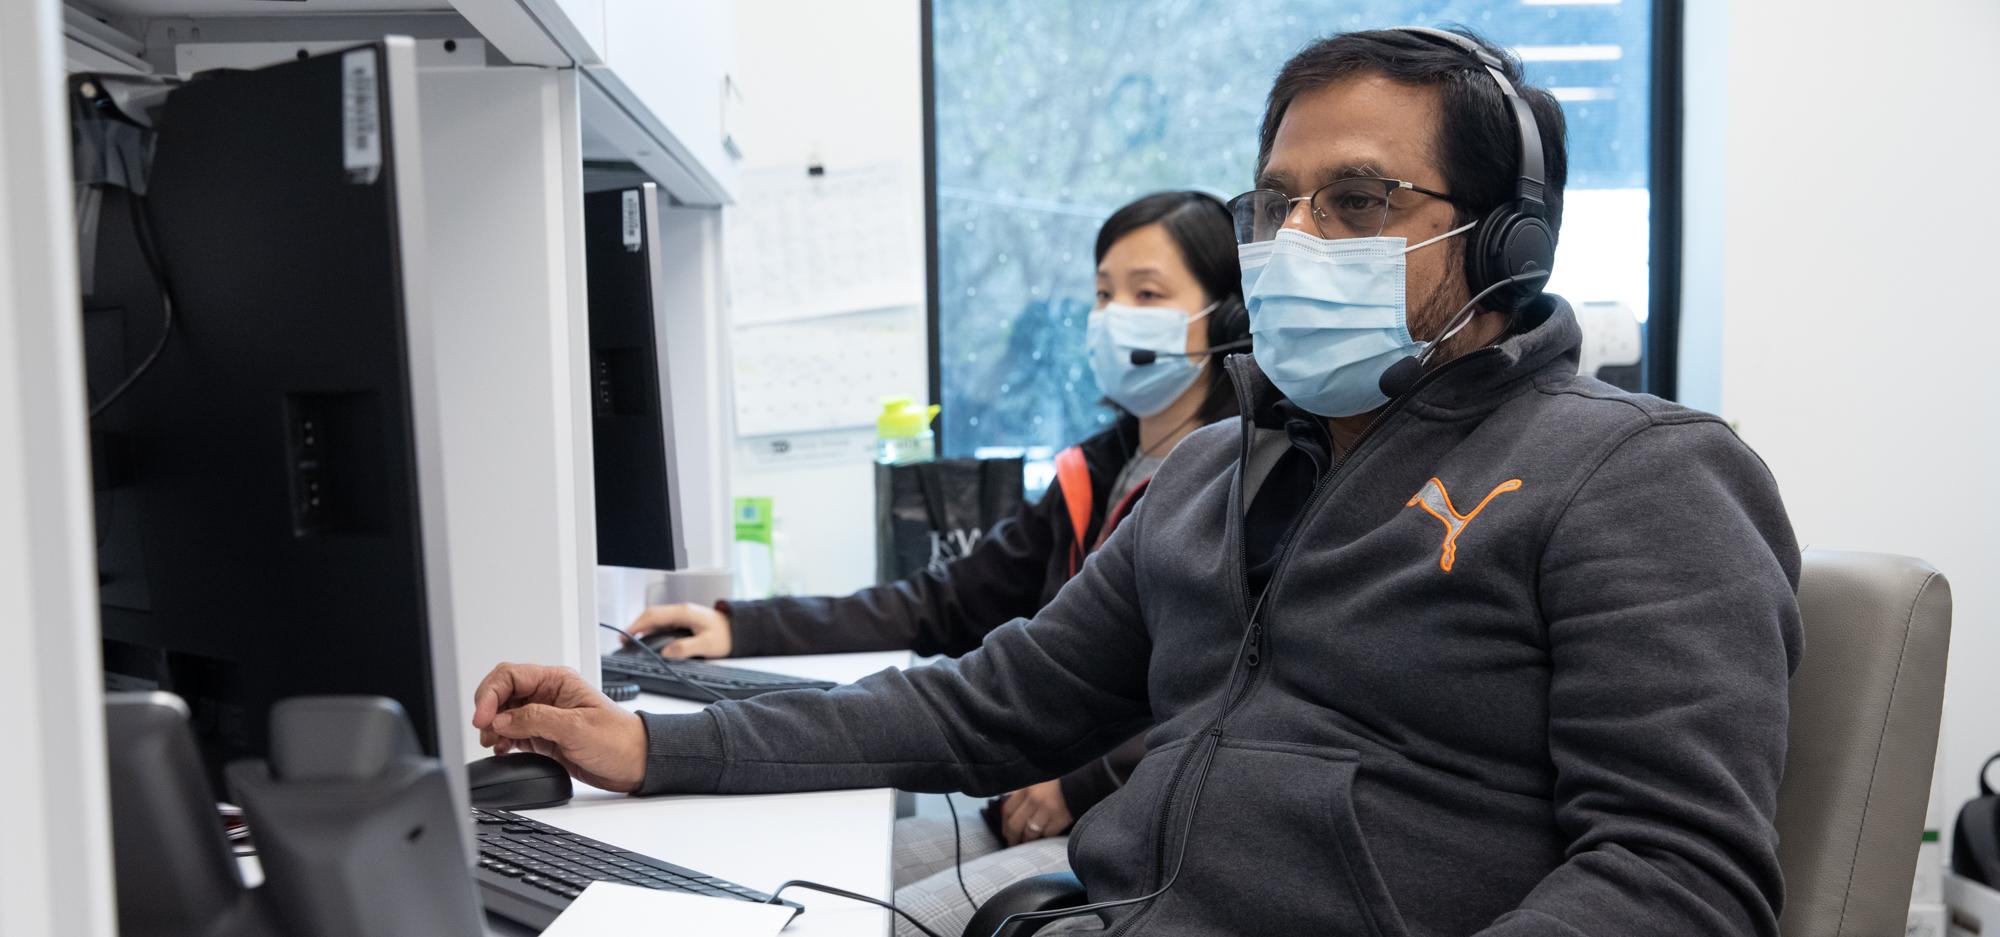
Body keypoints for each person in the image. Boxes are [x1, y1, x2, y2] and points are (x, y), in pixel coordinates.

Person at [473, 27, 1803, 937]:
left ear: (1506, 242)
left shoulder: (1640, 477)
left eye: (1357, 202)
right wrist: (648, 744)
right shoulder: (1221, 472)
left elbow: (1677, 881)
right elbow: (986, 707)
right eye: (1276, 202)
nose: (1293, 241)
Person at [620, 190, 1253, 936]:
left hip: (1128, 840)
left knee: (854, 923)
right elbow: (942, 602)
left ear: (1227, 316)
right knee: (786, 889)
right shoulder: (1095, 470)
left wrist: (1079, 785)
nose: (1115, 316)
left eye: (1147, 294)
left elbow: (1228, 696)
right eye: (1103, 294)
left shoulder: (1240, 481)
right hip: (1027, 807)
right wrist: (742, 625)